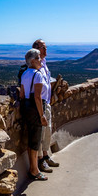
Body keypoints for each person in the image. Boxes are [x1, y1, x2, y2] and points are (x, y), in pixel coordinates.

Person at [21, 48, 51, 181]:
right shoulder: (37, 74)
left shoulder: (25, 73)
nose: (40, 60)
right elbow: (38, 97)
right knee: (35, 141)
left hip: (26, 108)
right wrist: (42, 115)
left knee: (31, 139)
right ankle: (34, 170)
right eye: (38, 58)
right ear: (32, 61)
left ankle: (33, 168)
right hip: (36, 108)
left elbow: (22, 94)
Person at [32, 40, 62, 170]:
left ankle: (45, 156)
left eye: (45, 47)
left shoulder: (43, 63)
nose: (46, 49)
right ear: (37, 49)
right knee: (41, 132)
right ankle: (40, 161)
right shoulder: (34, 65)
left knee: (47, 132)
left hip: (47, 103)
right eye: (43, 47)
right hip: (40, 105)